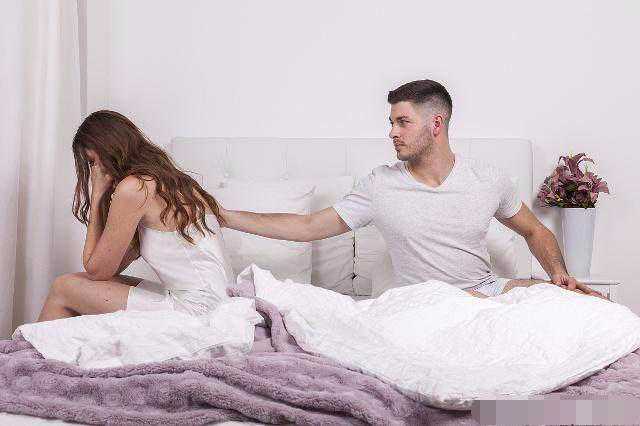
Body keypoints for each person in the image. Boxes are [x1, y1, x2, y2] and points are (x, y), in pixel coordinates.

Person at [219, 79, 607, 300]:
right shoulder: (380, 185)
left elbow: (535, 231)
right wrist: (223, 215)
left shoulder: (487, 179)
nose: (392, 132)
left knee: (588, 306)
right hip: (422, 304)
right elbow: (307, 227)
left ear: (436, 124)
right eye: (391, 122)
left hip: (486, 293)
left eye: (402, 122)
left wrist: (559, 275)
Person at [37, 110, 235, 322]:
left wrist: (96, 195)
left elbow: (96, 270)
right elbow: (107, 271)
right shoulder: (167, 182)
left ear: (109, 151)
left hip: (201, 310)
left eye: (92, 162)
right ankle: (50, 343)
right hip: (214, 300)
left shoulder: (135, 187)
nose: (94, 171)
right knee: (79, 282)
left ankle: (31, 345)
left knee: (63, 287)